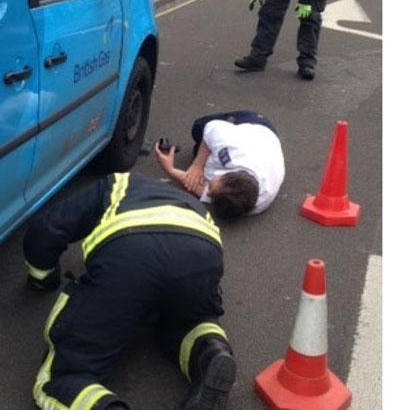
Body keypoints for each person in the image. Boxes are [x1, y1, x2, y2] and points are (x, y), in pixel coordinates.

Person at [23, 171, 236, 410]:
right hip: (202, 254)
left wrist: (44, 278)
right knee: (191, 320)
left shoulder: (114, 183)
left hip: (131, 256)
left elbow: (46, 229)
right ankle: (209, 355)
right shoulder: (192, 204)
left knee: (61, 376)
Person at [154, 110, 285, 217]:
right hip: (257, 127)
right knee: (199, 127)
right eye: (211, 188)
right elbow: (212, 127)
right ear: (226, 173)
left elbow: (203, 190)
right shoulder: (231, 149)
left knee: (198, 151)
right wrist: (197, 166)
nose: (207, 193)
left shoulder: (255, 202)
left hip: (267, 154)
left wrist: (171, 170)